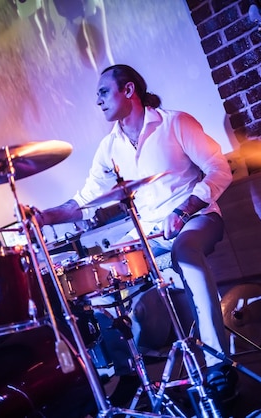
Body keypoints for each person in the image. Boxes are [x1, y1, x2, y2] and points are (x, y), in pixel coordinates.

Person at [34, 64, 236, 409]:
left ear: (128, 91)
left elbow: (220, 168)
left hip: (195, 218)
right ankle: (128, 374)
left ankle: (219, 367)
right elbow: (85, 200)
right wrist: (45, 216)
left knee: (187, 256)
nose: (97, 101)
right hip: (147, 231)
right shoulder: (109, 147)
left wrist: (183, 210)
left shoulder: (175, 122)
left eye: (102, 92)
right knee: (99, 280)